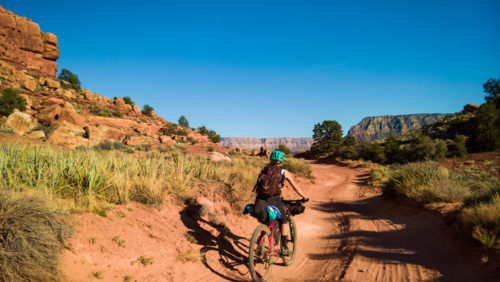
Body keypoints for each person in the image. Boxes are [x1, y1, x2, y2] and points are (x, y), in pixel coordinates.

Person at [252, 150, 308, 255]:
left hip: (260, 198)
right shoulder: (284, 172)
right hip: (273, 199)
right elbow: (296, 187)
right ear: (281, 160)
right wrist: (304, 197)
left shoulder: (264, 169)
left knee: (266, 218)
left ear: (271, 159)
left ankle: (262, 236)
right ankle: (284, 247)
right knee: (283, 220)